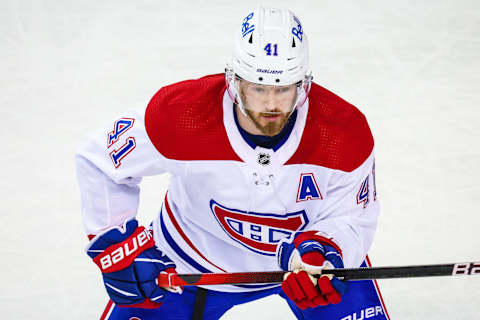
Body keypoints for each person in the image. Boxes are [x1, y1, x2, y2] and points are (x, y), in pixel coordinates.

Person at [76, 7, 390, 320]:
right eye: (258, 88)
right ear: (234, 81)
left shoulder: (344, 133)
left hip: (306, 268)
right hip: (188, 263)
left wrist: (327, 252)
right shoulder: (181, 114)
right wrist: (117, 250)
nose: (270, 104)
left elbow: (353, 215)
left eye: (283, 88)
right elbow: (100, 159)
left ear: (303, 84)